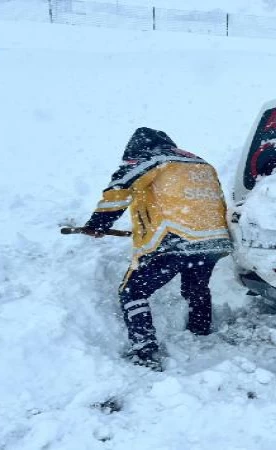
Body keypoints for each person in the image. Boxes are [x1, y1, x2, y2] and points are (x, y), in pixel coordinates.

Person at [81, 127, 232, 370]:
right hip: (213, 240)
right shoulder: (200, 163)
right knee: (196, 287)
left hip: (175, 240)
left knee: (132, 292)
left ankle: (144, 350)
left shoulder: (152, 159)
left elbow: (119, 188)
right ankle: (200, 333)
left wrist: (98, 224)